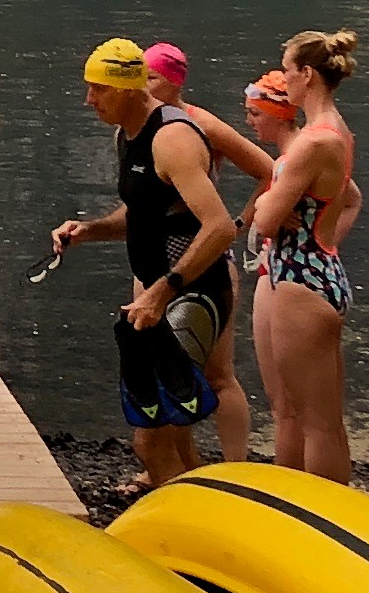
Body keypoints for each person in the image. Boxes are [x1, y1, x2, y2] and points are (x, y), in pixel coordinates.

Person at [48, 38, 238, 490]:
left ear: (129, 89)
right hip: (162, 295)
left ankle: (185, 520)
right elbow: (144, 212)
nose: (88, 99)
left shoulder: (172, 138)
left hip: (194, 294)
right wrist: (90, 229)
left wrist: (161, 290)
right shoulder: (127, 134)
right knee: (174, 431)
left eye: (99, 89)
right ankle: (200, 501)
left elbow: (220, 227)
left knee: (150, 440)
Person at [148, 43, 277, 463]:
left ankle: (236, 466)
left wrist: (240, 223)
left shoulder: (200, 123)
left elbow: (269, 171)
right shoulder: (138, 125)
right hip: (154, 260)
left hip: (205, 258)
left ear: (174, 82)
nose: (143, 86)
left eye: (152, 78)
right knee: (165, 370)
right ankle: (182, 467)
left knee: (219, 374)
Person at [249, 29, 362, 484]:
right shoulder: (338, 131)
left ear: (308, 75)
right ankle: (303, 505)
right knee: (313, 417)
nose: (285, 79)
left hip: (301, 280)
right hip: (318, 266)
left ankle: (321, 511)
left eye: (288, 70)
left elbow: (265, 220)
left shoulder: (314, 141)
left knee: (315, 423)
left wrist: (268, 203)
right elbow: (344, 200)